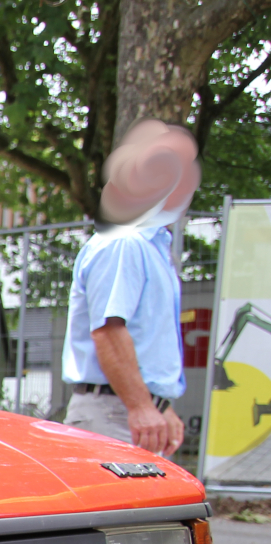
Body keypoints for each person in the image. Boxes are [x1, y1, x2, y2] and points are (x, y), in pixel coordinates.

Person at [61, 121, 197, 457]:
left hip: (125, 411)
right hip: (115, 414)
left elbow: (143, 339)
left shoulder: (151, 247)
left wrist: (159, 406)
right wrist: (141, 406)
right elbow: (108, 331)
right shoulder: (124, 243)